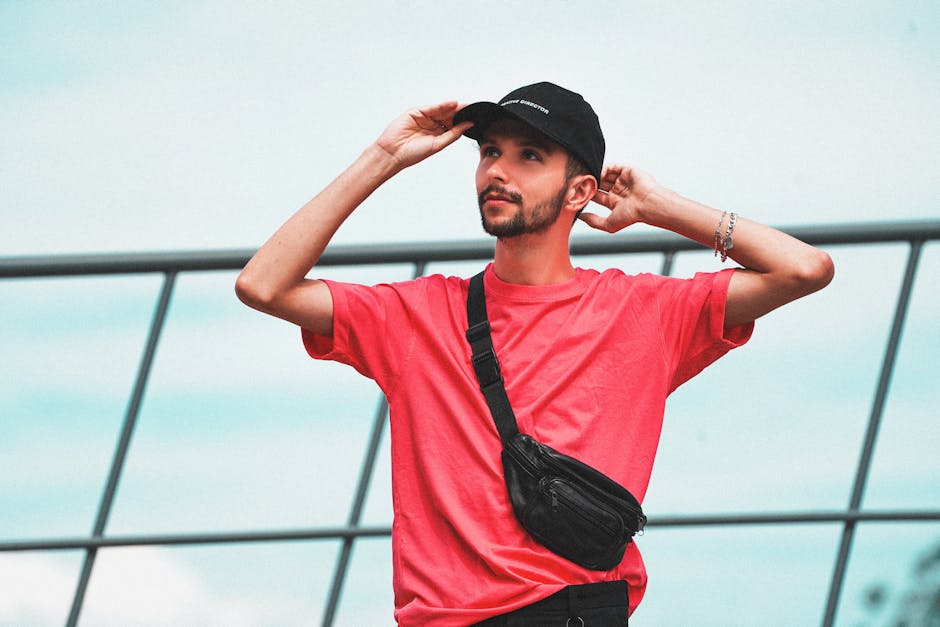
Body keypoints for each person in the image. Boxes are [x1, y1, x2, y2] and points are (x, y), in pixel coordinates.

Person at [235, 82, 834, 626]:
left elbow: (806, 267)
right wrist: (385, 158)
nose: (498, 170)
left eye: (529, 155)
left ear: (581, 191)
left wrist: (660, 207)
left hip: (573, 609)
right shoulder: (413, 316)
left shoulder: (643, 311)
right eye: (490, 151)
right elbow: (263, 284)